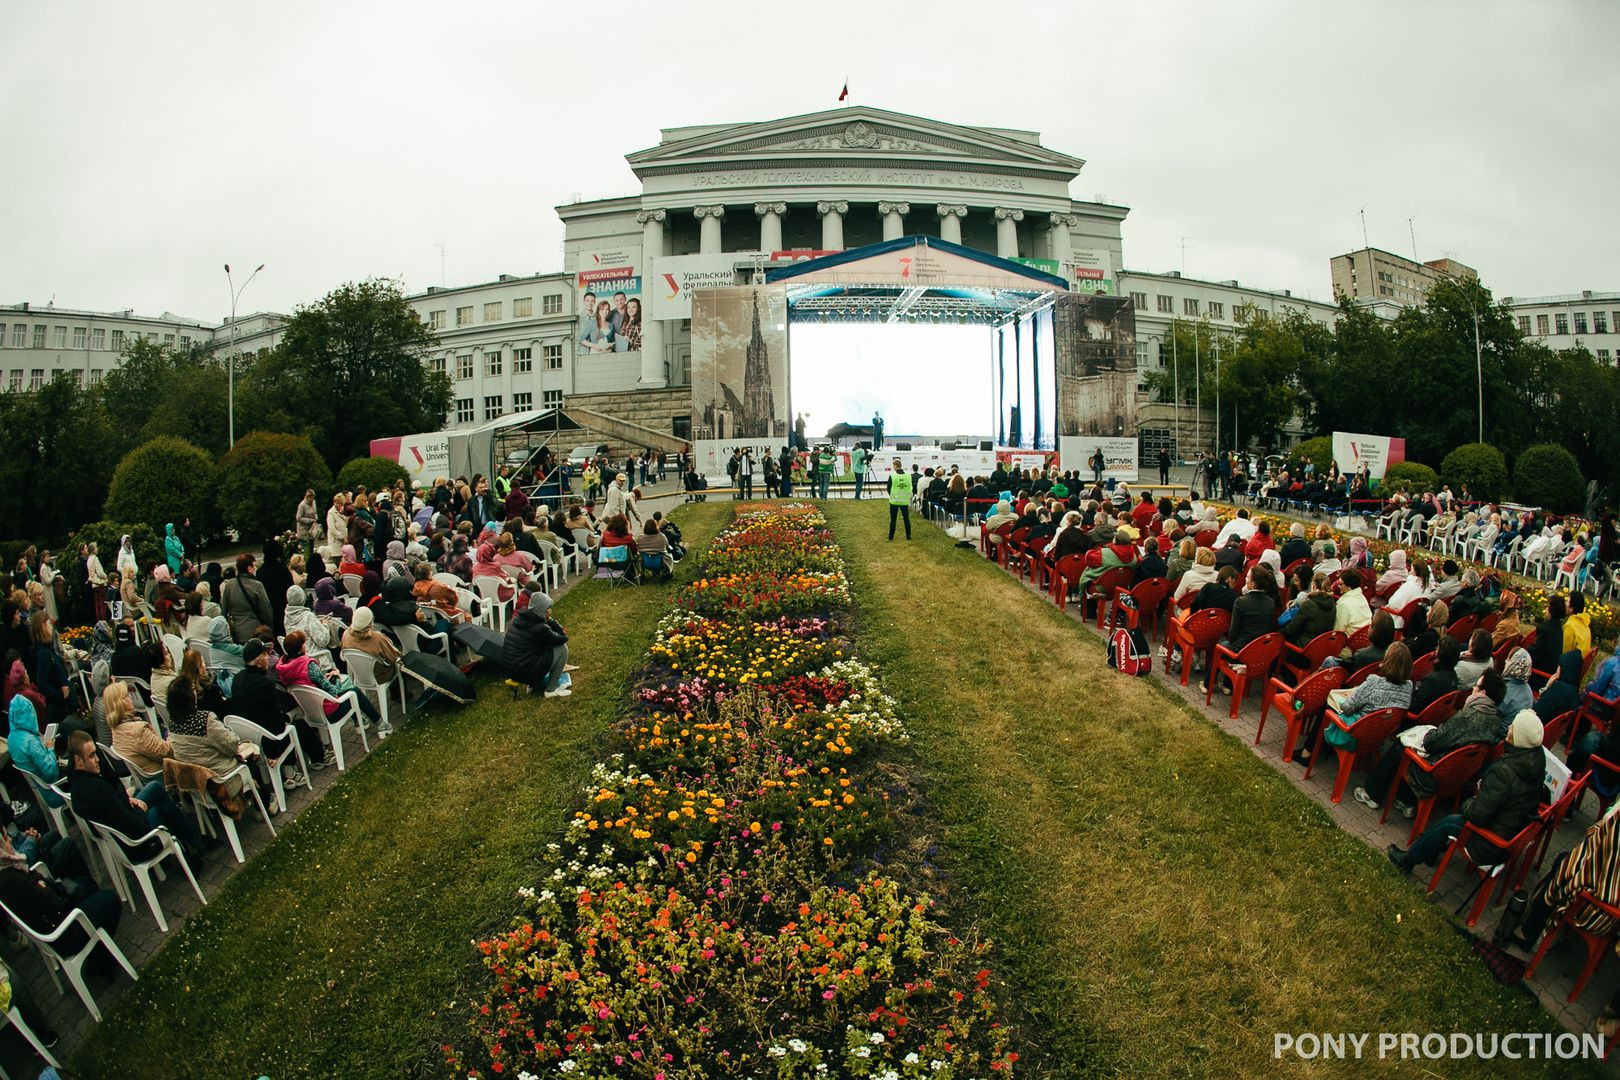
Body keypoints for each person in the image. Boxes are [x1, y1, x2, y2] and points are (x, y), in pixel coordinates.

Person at [1388, 711, 1546, 874]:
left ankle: (1408, 860)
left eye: (1513, 728)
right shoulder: (1535, 763)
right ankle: (1429, 851)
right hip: (1509, 834)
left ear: (1520, 738)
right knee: (1457, 817)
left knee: (1451, 821)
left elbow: (1478, 815)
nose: (1509, 728)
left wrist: (1469, 802)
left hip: (1491, 844)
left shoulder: (1505, 772)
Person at [232, 638, 326, 771]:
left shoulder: (237, 679)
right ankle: (318, 759)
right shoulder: (265, 683)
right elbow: (277, 725)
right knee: (299, 725)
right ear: (258, 662)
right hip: (270, 741)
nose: (268, 658)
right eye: (265, 655)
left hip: (249, 737)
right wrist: (276, 748)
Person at [504, 587, 570, 696]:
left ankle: (533, 684)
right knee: (562, 649)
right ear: (542, 610)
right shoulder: (539, 628)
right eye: (549, 608)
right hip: (526, 671)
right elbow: (562, 638)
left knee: (541, 649)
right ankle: (551, 689)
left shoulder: (518, 619)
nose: (550, 610)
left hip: (513, 671)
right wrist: (551, 621)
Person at [221, 553, 273, 645]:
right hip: (255, 631)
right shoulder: (257, 585)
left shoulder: (229, 585)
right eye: (254, 566)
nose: (255, 568)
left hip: (236, 632)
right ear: (249, 568)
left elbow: (224, 610)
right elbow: (266, 610)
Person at [886, 459, 912, 541]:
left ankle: (891, 536)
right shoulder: (908, 476)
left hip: (894, 501)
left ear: (895, 466)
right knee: (906, 519)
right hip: (904, 500)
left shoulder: (892, 476)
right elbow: (910, 487)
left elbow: (888, 488)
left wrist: (892, 495)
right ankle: (908, 536)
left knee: (893, 519)